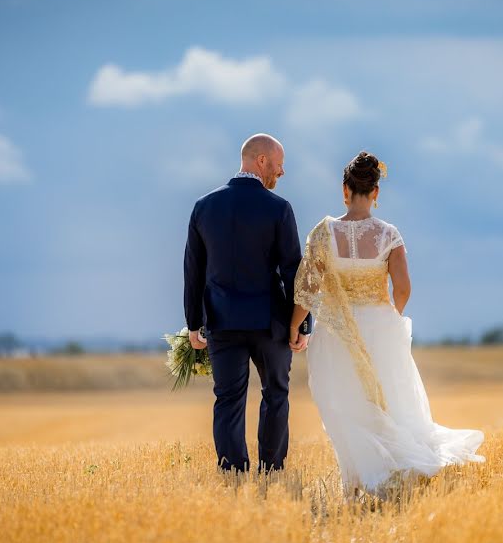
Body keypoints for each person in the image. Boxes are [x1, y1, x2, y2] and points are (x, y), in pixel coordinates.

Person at [289, 151, 484, 498]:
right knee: (390, 402)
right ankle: (389, 473)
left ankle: (358, 481)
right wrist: (390, 314)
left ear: (345, 189)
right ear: (376, 192)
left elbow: (307, 289)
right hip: (380, 327)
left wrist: (295, 328)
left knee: (344, 405)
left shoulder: (323, 232)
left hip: (338, 332)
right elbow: (404, 287)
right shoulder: (388, 235)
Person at [183, 133, 311, 474]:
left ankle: (233, 472)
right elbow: (293, 272)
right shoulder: (279, 209)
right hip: (270, 323)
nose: (281, 173)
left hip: (222, 323)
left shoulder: (203, 207)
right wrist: (302, 324)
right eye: (280, 165)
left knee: (227, 400)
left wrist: (194, 323)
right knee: (275, 395)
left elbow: (193, 272)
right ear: (262, 161)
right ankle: (271, 471)